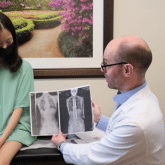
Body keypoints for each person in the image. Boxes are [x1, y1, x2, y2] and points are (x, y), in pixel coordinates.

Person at [51, 35, 164, 164]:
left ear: (127, 70)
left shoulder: (136, 122)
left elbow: (92, 157)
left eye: (106, 64)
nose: (102, 69)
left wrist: (61, 144)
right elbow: (121, 129)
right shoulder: (143, 97)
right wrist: (100, 119)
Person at [0, 12, 36, 164]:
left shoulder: (25, 69)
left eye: (9, 41)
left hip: (17, 128)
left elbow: (19, 109)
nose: (5, 47)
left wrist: (1, 140)